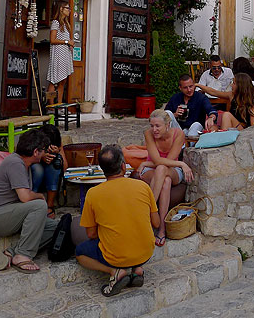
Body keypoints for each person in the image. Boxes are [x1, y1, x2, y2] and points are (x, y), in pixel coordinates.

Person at [76, 144, 159, 297]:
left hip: (116, 256)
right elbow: (156, 223)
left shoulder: (93, 194)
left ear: (102, 170)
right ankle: (137, 269)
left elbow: (91, 234)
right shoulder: (143, 186)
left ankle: (115, 271)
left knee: (80, 252)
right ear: (123, 166)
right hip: (146, 252)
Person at [0, 129, 57, 274]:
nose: (45, 153)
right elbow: (25, 197)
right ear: (35, 152)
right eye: (43, 150)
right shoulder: (15, 163)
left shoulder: (24, 164)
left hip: (7, 213)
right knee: (39, 206)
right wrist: (40, 196)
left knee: (55, 227)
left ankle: (13, 252)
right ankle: (23, 255)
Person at [138, 109, 191, 246]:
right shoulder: (148, 134)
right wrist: (181, 163)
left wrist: (146, 163)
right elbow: (156, 160)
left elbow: (168, 161)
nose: (154, 129)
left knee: (163, 170)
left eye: (158, 126)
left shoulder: (178, 134)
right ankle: (162, 229)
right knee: (165, 181)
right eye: (152, 126)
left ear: (168, 125)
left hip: (172, 169)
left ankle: (148, 211)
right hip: (154, 169)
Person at [30, 123, 66, 219]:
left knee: (54, 165)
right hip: (33, 179)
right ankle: (32, 203)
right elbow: (25, 161)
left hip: (50, 180)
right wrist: (41, 157)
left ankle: (50, 206)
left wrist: (58, 154)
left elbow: (65, 169)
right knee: (38, 168)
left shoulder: (57, 143)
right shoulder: (33, 141)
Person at [46, 0, 74, 105]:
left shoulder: (66, 24)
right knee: (54, 80)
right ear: (61, 9)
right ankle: (51, 105)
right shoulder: (56, 22)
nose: (69, 10)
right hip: (58, 55)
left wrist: (69, 45)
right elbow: (52, 40)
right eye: (67, 8)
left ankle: (60, 104)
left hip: (65, 55)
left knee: (63, 80)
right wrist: (67, 42)